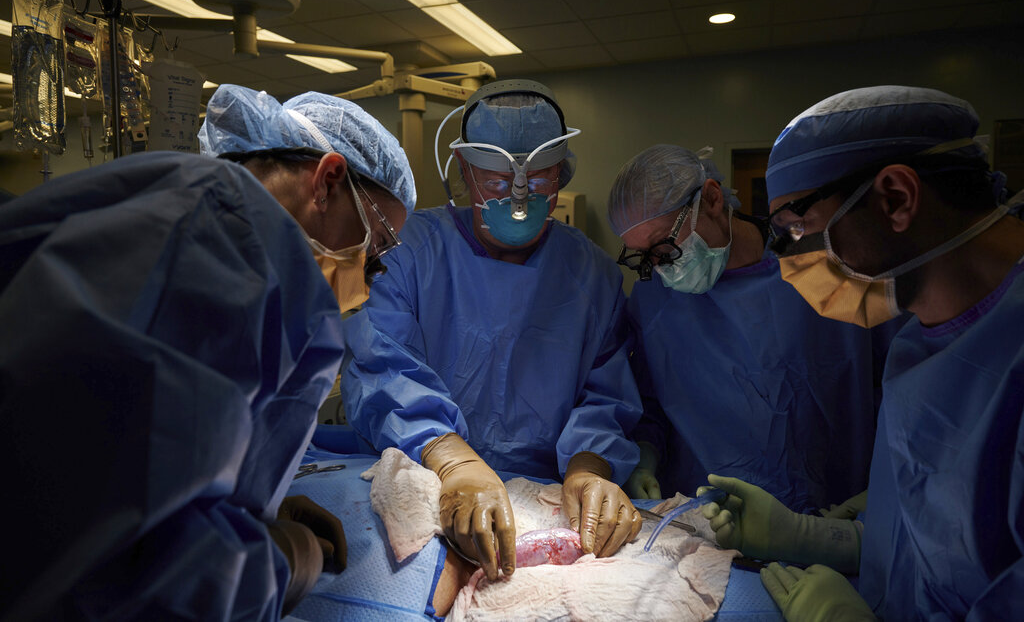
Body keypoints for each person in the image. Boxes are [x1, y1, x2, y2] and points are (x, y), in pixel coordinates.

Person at [0, 84, 415, 621]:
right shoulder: (232, 245)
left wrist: (247, 510)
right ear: (328, 180)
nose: (367, 274)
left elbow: (126, 444)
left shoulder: (186, 203)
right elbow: (132, 567)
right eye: (374, 244)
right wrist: (280, 560)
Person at [700, 86, 1024, 620]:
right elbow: (936, 542)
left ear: (895, 196)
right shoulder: (922, 342)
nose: (792, 259)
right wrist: (813, 537)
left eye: (799, 226)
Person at [341, 78, 643, 582]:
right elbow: (383, 370)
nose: (519, 197)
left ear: (562, 171)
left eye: (538, 180)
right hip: (425, 479)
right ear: (463, 170)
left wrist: (589, 471)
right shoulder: (408, 252)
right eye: (498, 182)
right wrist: (456, 464)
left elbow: (607, 394)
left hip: (548, 500)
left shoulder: (590, 273)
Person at [608, 144, 900, 513]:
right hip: (706, 519)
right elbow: (647, 402)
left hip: (831, 517)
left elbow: (897, 387)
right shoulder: (654, 301)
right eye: (643, 258)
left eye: (665, 247)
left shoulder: (826, 273)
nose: (661, 267)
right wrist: (645, 455)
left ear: (712, 199)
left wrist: (877, 499)